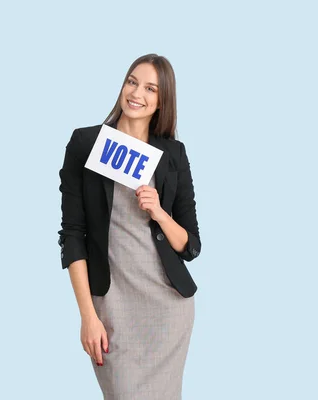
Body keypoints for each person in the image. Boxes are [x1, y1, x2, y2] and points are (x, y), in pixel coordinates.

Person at [57, 53, 202, 400]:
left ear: (161, 102)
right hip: (112, 307)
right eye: (132, 81)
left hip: (167, 306)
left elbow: (191, 245)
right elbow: (72, 235)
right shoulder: (86, 144)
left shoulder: (173, 155)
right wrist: (87, 316)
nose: (137, 93)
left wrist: (159, 213)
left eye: (151, 88)